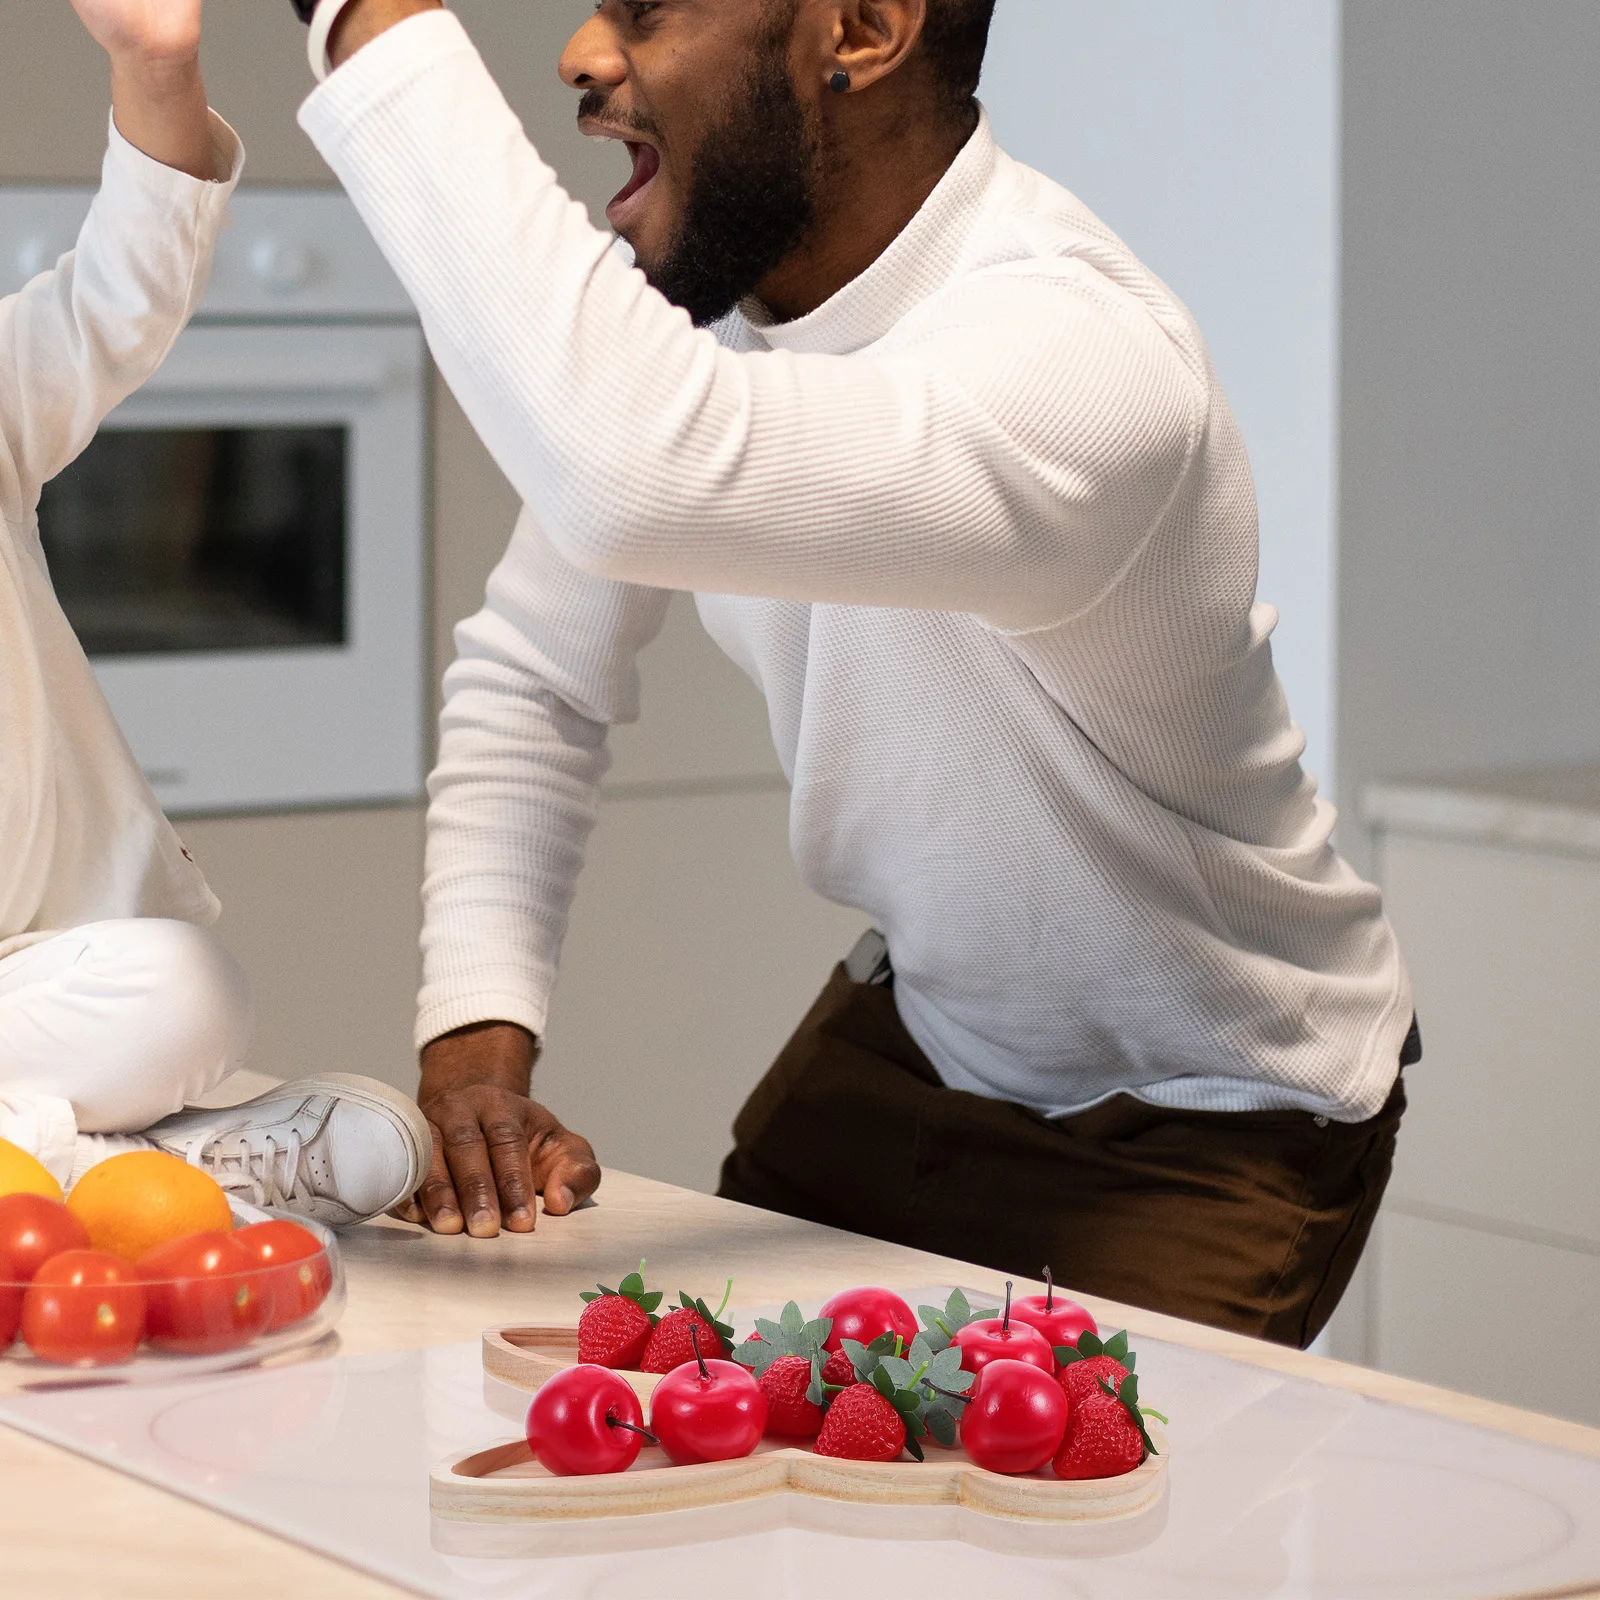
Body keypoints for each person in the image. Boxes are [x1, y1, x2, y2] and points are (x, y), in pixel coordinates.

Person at [293, 0, 1416, 1345]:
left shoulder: (1081, 360)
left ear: (865, 30)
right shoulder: (723, 334)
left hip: (1211, 1108)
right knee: (700, 1445)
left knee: (1058, 1542)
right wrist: (475, 1040)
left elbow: (631, 470)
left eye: (645, 10)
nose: (584, 56)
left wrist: (364, 15)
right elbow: (537, 671)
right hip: (923, 1032)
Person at [0, 0, 430, 1226]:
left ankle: (70, 1169)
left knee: (187, 990)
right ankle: (154, 1169)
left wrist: (158, 59)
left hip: (31, 985)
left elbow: (121, 294)